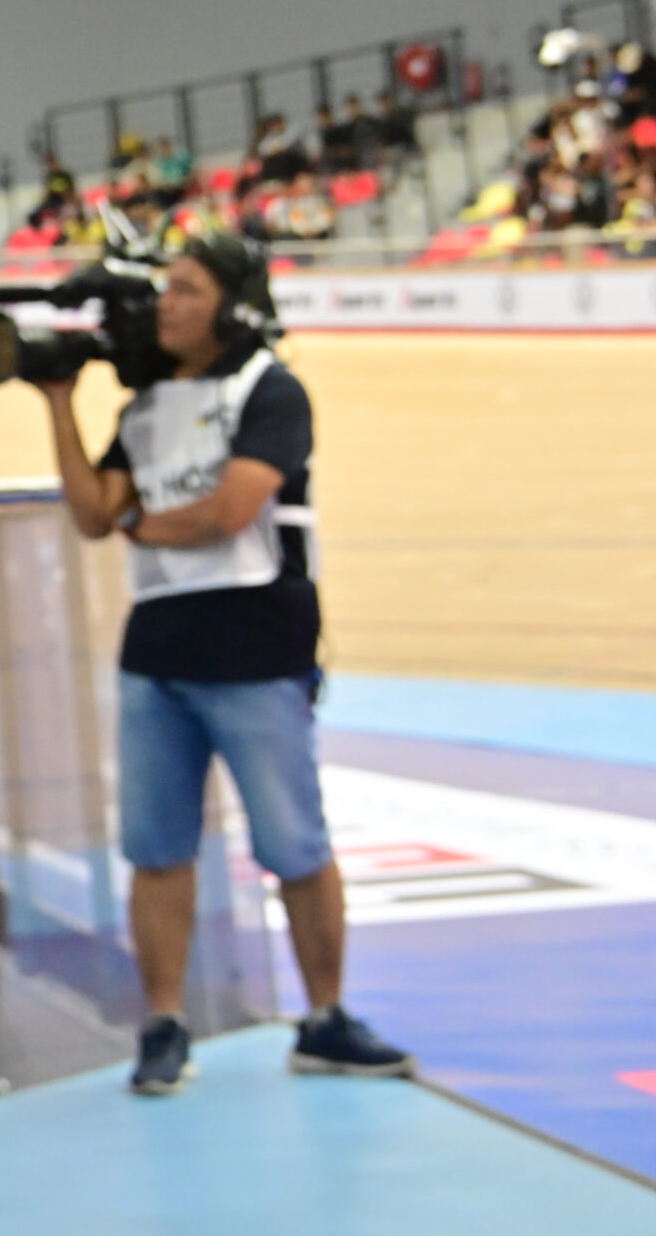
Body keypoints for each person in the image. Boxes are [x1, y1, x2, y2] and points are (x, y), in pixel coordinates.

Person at [28, 235, 412, 1095]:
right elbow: (93, 510)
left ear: (232, 305)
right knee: (157, 852)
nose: (166, 304)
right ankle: (163, 1024)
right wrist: (58, 403)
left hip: (257, 654)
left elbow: (230, 510)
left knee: (295, 844)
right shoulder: (146, 408)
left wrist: (137, 522)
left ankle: (325, 1018)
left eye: (188, 291)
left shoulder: (270, 390)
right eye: (164, 290)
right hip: (158, 657)